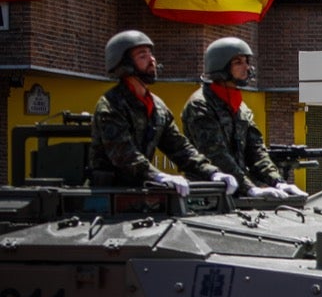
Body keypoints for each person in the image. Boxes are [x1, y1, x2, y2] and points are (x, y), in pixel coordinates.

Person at [90, 30, 236, 196]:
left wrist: (212, 172)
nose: (152, 60)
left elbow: (179, 146)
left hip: (140, 192)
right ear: (125, 64)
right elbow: (124, 155)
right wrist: (159, 176)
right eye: (142, 55)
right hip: (107, 196)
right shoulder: (110, 105)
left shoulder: (157, 106)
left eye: (151, 54)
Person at [182, 37, 304, 199]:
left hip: (237, 192)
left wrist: (278, 182)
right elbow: (216, 155)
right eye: (238, 62)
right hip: (207, 193)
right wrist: (250, 189)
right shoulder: (200, 105)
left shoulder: (240, 107)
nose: (247, 67)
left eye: (247, 61)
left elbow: (256, 151)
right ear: (221, 66)